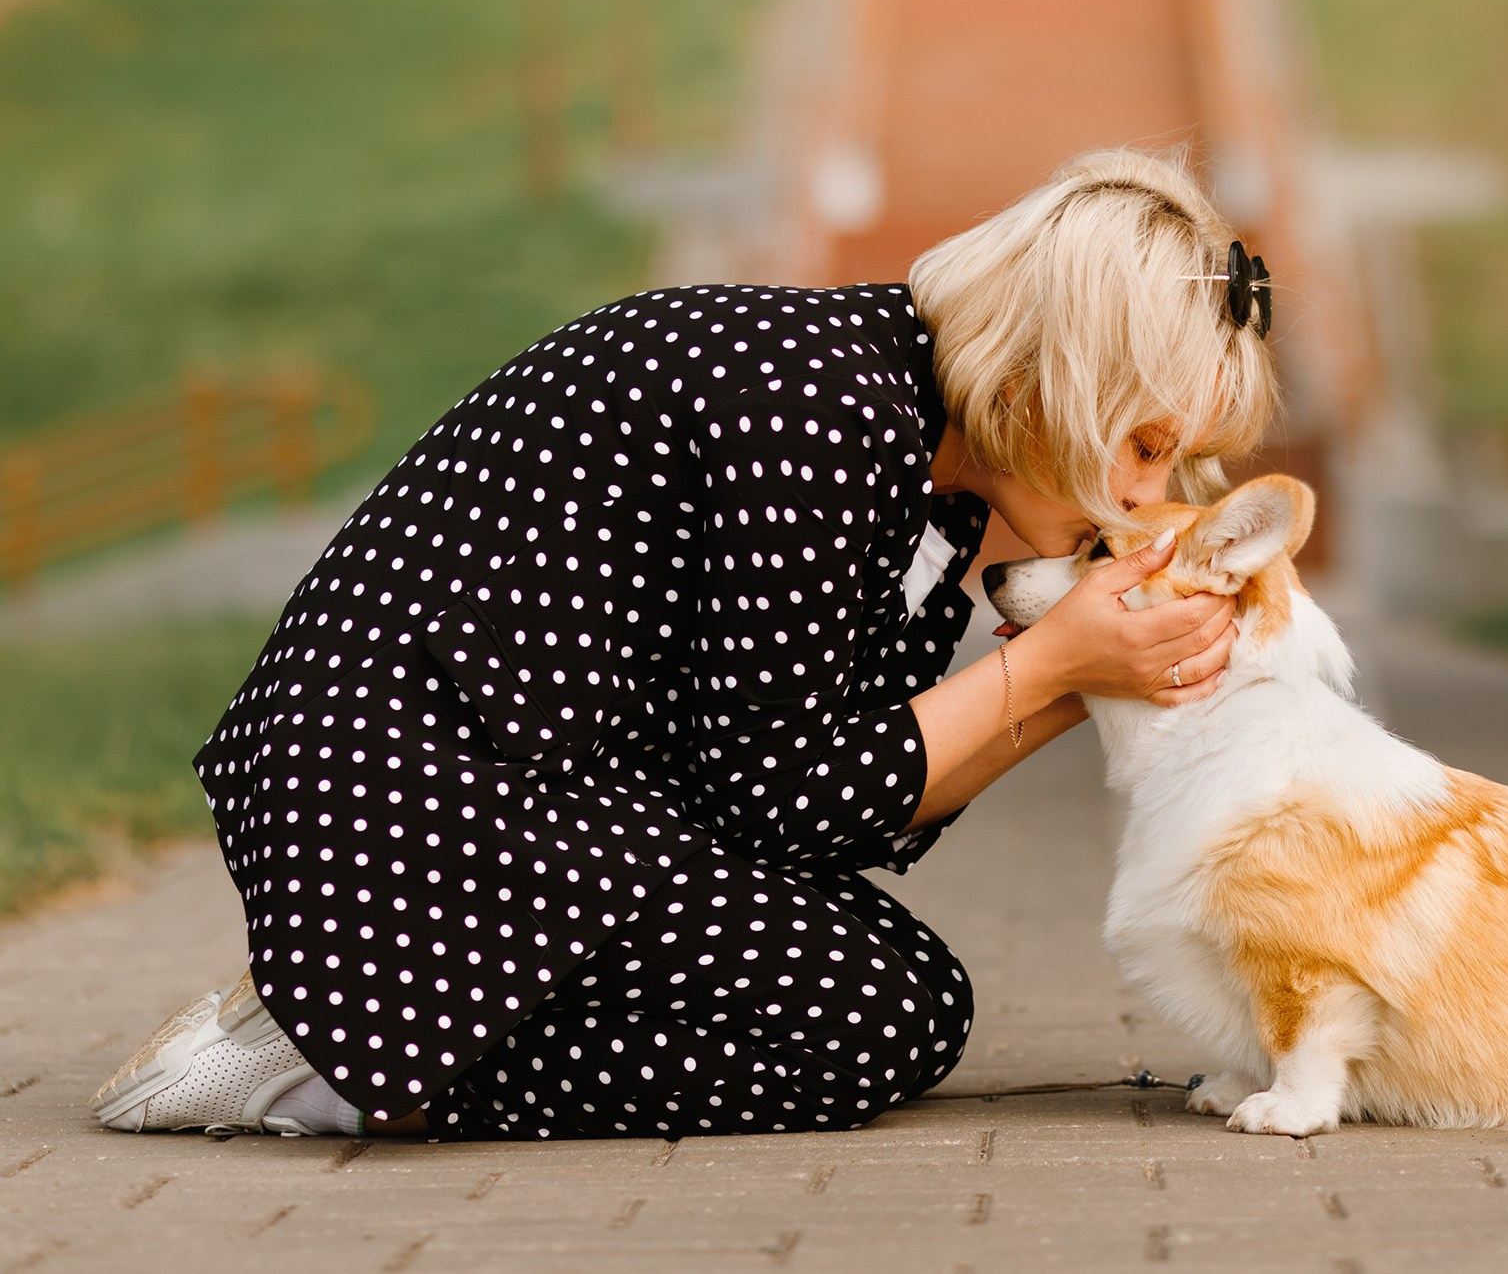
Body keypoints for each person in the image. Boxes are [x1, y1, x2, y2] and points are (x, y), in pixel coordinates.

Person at [89, 148, 1279, 1140]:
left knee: (900, 998)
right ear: (1046, 379)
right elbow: (782, 799)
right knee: (866, 1011)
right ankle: (330, 1057)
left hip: (538, 789)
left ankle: (375, 1021)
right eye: (1140, 443)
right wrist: (1055, 663)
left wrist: (1081, 682)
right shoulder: (814, 408)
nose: (1147, 494)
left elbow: (857, 804)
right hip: (411, 784)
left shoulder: (915, 453)